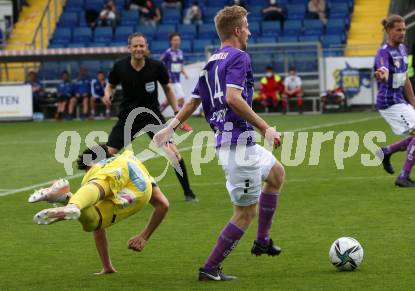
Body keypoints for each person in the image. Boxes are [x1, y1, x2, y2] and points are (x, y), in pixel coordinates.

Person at [154, 6, 285, 281]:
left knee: (276, 174)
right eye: (246, 26)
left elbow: (192, 102)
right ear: (237, 30)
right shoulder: (239, 57)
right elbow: (233, 99)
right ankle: (210, 268)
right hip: (238, 145)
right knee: (245, 212)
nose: (249, 31)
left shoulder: (212, 62)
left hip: (236, 142)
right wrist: (266, 128)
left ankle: (262, 240)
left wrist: (168, 129)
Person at [29, 144, 169, 274]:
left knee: (97, 187)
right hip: (141, 191)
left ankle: (68, 199)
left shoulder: (96, 170)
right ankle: (67, 199)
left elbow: (97, 230)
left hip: (115, 184)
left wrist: (68, 208)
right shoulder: (130, 160)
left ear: (90, 163)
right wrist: (144, 236)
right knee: (95, 220)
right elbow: (163, 205)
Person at [102, 32, 198, 202]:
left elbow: (168, 88)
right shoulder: (119, 66)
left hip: (152, 116)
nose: (138, 49)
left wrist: (177, 112)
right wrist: (107, 94)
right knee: (108, 154)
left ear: (146, 48)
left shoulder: (156, 66)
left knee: (173, 154)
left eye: (141, 46)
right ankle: (103, 192)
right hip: (128, 117)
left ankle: (188, 193)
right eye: (135, 46)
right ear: (129, 48)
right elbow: (110, 85)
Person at [374, 15, 415, 187]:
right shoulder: (383, 52)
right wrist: (381, 74)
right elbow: (382, 68)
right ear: (389, 31)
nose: (402, 33)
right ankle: (403, 177)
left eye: (404, 29)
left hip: (400, 100)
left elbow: (405, 79)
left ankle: (386, 151)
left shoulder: (403, 49)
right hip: (389, 102)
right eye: (398, 29)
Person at [159, 32, 193, 132]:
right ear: (171, 41)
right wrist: (165, 75)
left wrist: (184, 73)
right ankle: (182, 123)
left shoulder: (180, 53)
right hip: (170, 80)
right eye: (175, 40)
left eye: (178, 40)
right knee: (181, 99)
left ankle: (154, 115)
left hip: (177, 80)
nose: (177, 42)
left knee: (168, 101)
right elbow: (160, 64)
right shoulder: (168, 53)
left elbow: (180, 65)